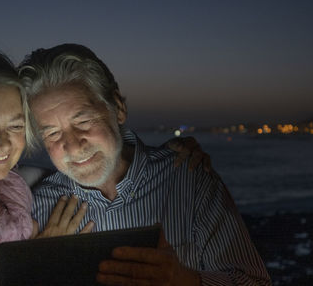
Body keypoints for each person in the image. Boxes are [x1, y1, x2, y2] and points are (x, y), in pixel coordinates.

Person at [0, 46, 207, 286]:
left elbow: (93, 168)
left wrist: (165, 155)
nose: (4, 143)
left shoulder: (24, 185)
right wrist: (38, 262)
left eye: (17, 126)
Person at [20, 43, 272, 285]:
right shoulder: (36, 209)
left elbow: (254, 282)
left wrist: (186, 281)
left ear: (118, 108)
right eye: (52, 133)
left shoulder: (189, 177)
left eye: (83, 121)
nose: (73, 146)